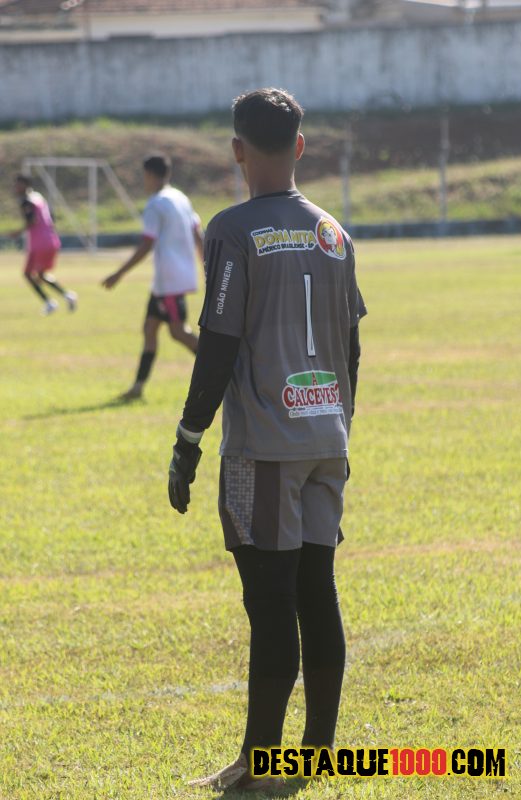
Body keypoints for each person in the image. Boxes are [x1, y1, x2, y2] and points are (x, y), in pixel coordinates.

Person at [167, 88, 367, 792]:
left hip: (266, 447)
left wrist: (188, 438)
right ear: (300, 146)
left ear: (237, 150)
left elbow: (218, 344)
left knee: (271, 603)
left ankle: (261, 762)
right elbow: (352, 346)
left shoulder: (232, 229)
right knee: (317, 591)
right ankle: (313, 755)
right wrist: (338, 425)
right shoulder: (333, 232)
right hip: (325, 437)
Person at [102, 154, 203, 401]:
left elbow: (147, 244)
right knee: (150, 328)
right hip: (167, 280)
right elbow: (197, 232)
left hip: (169, 280)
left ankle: (228, 370)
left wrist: (119, 273)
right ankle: (137, 388)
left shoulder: (155, 204)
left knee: (178, 332)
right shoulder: (180, 197)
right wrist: (206, 264)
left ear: (149, 175)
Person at [11, 174, 77, 316]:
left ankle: (50, 302)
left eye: (17, 184)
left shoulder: (26, 201)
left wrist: (17, 232)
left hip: (39, 243)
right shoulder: (38, 197)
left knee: (29, 274)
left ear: (25, 185)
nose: (15, 188)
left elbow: (32, 221)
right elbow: (51, 217)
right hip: (50, 240)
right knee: (39, 274)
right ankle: (66, 296)